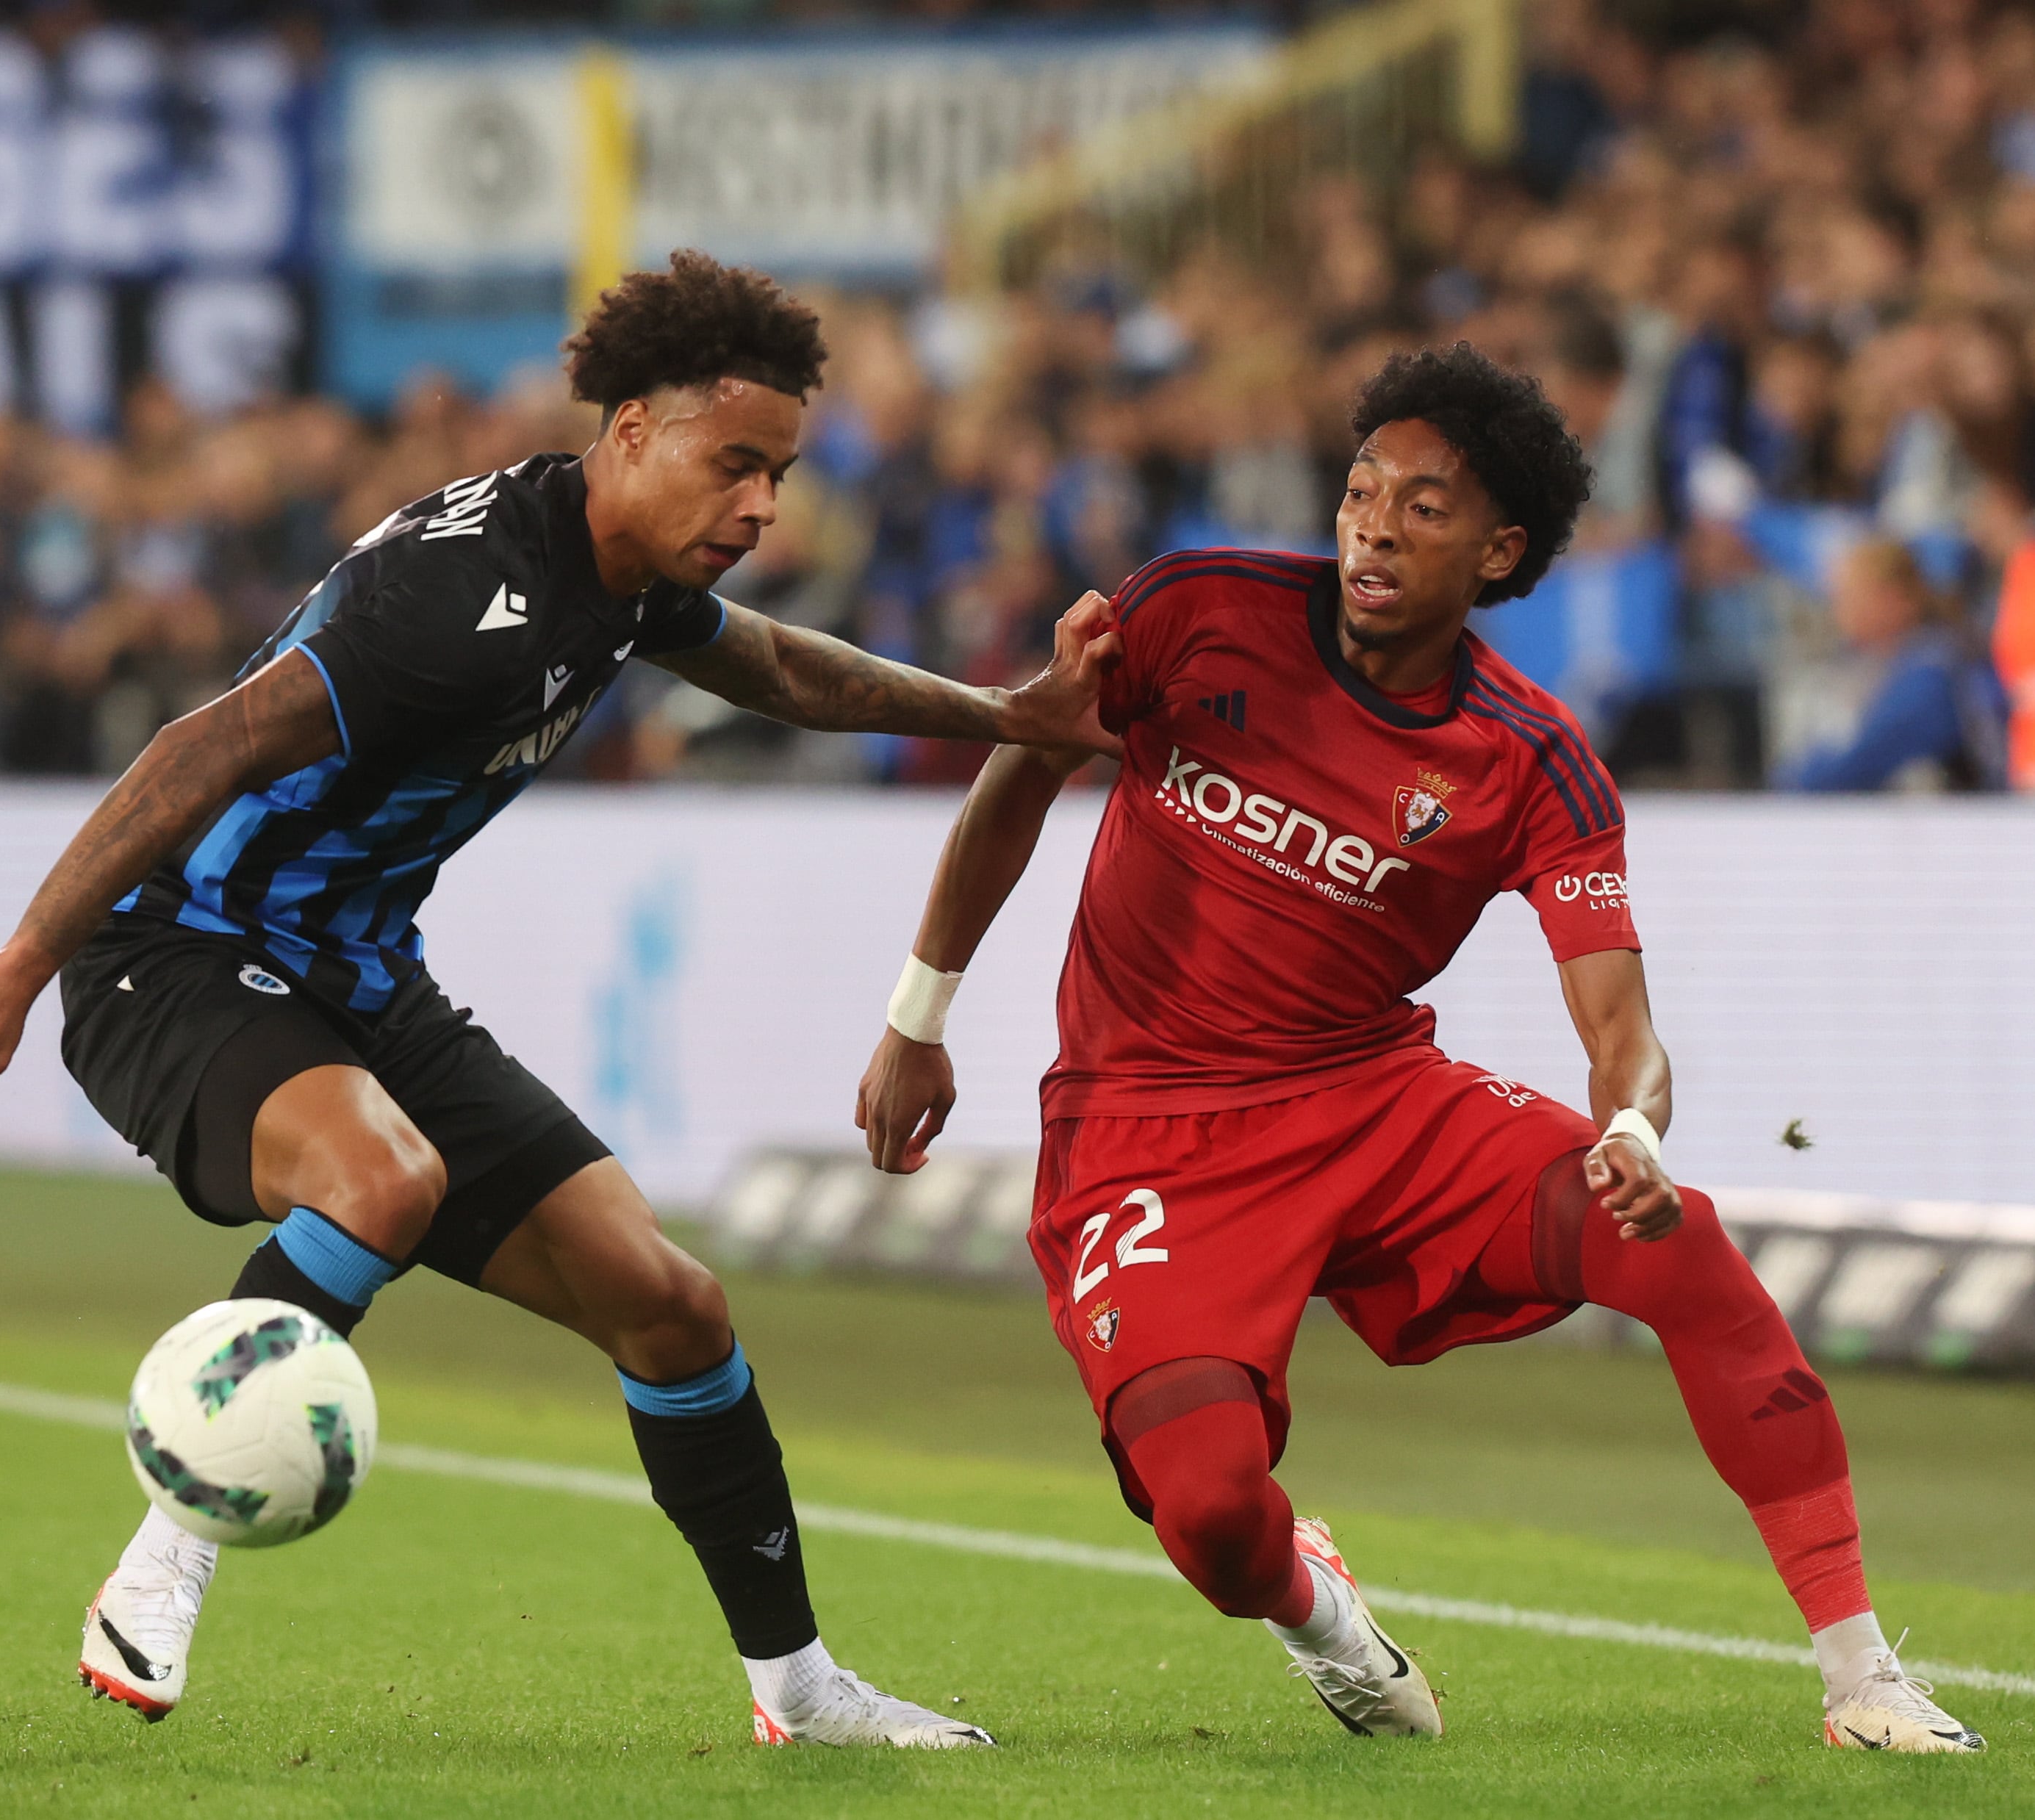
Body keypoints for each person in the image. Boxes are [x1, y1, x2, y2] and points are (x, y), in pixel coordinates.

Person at [0, 252, 1119, 1747]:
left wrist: (1011, 715)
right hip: (178, 953)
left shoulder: (622, 575)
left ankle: (799, 1690)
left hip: (361, 979)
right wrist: (26, 957)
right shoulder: (456, 588)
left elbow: (790, 670)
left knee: (671, 1304)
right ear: (629, 433)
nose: (760, 509)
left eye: (779, 475)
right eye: (734, 465)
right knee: (381, 1174)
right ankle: (166, 1550)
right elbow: (204, 744)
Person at [856, 344, 1984, 1755]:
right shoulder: (1192, 611)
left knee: (1677, 1242)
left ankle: (1862, 1673)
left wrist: (1630, 1130)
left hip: (1371, 1100)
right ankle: (1318, 1610)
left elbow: (1623, 1028)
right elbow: (1024, 757)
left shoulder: (1530, 757)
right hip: (1146, 1124)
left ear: (1501, 549)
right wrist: (920, 1014)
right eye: (1361, 490)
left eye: (1425, 507)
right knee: (1210, 1515)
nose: (1375, 526)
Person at [1776, 537, 2006, 792]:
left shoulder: (1932, 671)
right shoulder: (1885, 663)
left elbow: (1858, 761)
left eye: (1849, 597)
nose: (1839, 611)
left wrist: (1794, 780)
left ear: (1892, 598)